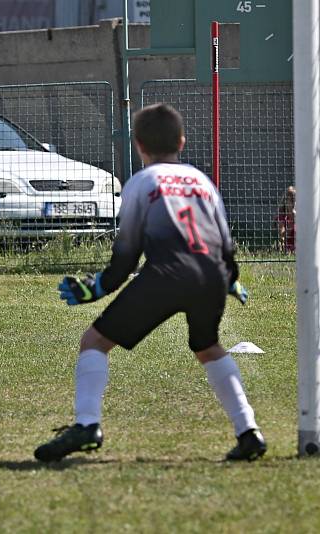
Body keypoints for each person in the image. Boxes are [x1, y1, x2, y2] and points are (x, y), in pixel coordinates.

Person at [34, 103, 266, 463]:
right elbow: (224, 240)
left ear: (139, 145)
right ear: (182, 142)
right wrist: (230, 280)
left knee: (94, 341)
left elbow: (127, 252)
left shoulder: (141, 182)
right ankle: (249, 431)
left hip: (168, 273)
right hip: (211, 276)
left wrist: (99, 287)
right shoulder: (202, 181)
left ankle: (87, 424)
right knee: (208, 346)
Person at [276, 185, 295, 254]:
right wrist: (293, 220)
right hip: (288, 250)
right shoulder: (282, 217)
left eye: (295, 200)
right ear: (286, 201)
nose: (294, 203)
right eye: (291, 200)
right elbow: (282, 236)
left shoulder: (302, 215)